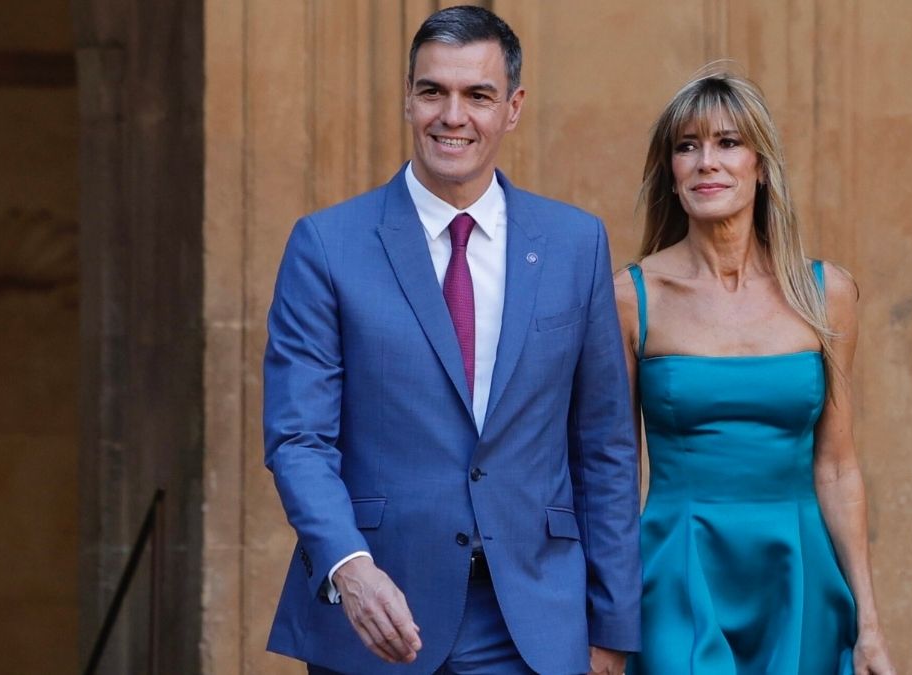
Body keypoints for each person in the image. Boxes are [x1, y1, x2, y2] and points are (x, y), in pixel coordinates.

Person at [262, 6, 640, 674]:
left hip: (533, 623)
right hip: (378, 616)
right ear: (408, 97)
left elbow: (604, 448)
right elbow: (299, 438)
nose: (452, 115)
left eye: (478, 95)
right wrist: (349, 566)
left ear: (514, 107)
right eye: (433, 90)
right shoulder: (326, 244)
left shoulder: (576, 246)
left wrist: (610, 629)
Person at [616, 71, 896, 675]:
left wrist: (869, 625)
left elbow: (839, 465)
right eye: (686, 146)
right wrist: (607, 618)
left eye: (728, 143)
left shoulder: (827, 293)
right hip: (675, 568)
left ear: (762, 166)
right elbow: (611, 469)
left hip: (798, 570)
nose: (705, 162)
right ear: (670, 170)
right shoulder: (634, 297)